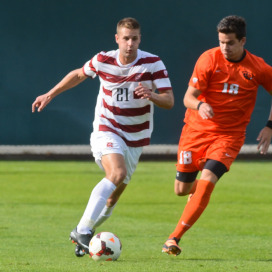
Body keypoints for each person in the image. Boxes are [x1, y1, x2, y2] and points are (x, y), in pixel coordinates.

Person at [32, 17, 174, 257]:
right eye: (126, 38)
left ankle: (82, 233)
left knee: (112, 198)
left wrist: (151, 94)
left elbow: (169, 100)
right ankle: (84, 229)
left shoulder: (152, 63)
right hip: (107, 129)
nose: (130, 43)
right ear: (117, 39)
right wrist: (51, 93)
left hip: (136, 138)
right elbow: (79, 74)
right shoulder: (103, 59)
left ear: (140, 39)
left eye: (135, 38)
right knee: (116, 173)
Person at [162, 15, 272, 256]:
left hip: (229, 136)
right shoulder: (208, 59)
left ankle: (174, 238)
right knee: (182, 189)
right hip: (195, 132)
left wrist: (270, 125)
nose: (224, 47)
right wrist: (199, 105)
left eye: (230, 43)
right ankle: (197, 195)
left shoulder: (257, 67)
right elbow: (187, 98)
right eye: (221, 42)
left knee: (208, 180)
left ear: (243, 41)